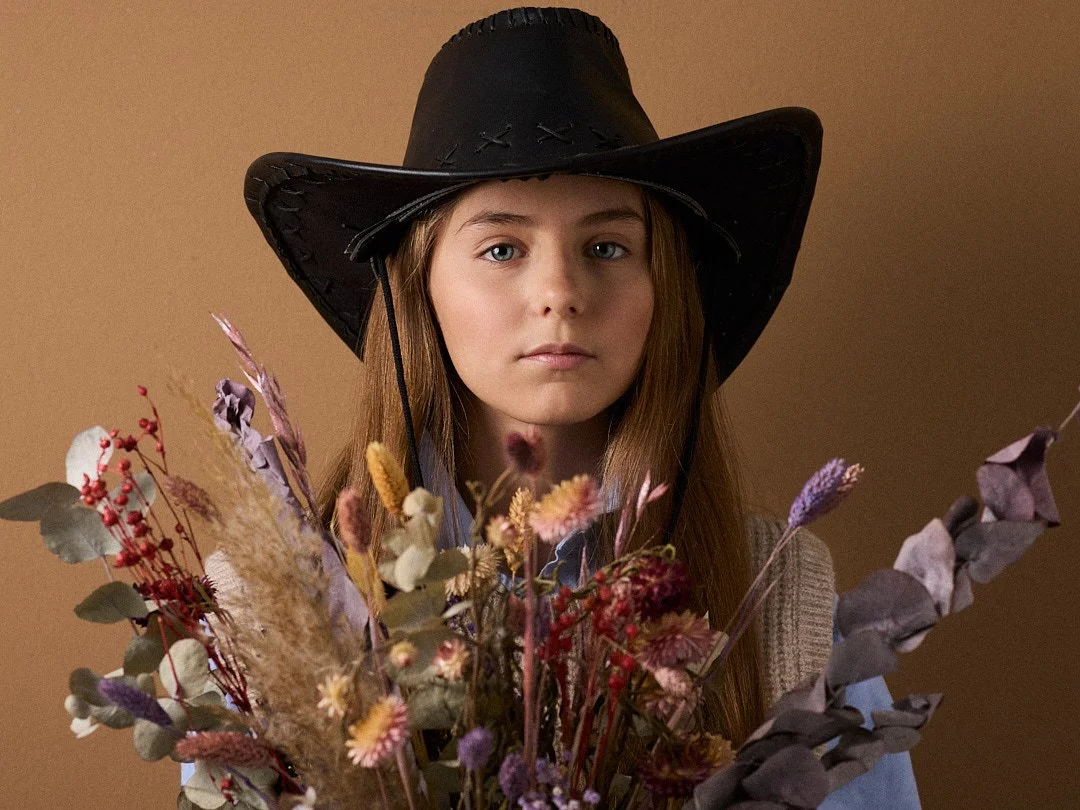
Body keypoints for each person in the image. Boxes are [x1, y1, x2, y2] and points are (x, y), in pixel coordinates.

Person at [242, 7, 920, 807]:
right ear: (416, 291)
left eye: (607, 247)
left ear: (663, 287)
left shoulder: (784, 609)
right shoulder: (273, 614)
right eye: (502, 248)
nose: (560, 293)